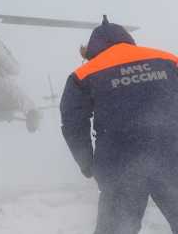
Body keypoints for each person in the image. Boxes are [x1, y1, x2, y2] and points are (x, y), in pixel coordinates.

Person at [60, 15, 178, 234]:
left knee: (117, 229)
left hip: (120, 164)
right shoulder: (169, 60)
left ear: (93, 49)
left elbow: (73, 123)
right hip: (171, 155)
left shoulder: (83, 74)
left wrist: (87, 164)